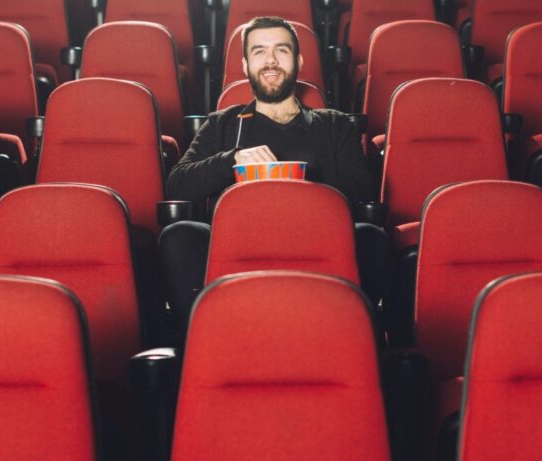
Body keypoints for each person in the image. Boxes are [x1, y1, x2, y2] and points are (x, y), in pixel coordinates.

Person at [159, 16, 387, 331]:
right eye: (259, 51)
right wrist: (232, 161)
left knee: (371, 237)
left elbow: (361, 190)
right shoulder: (222, 124)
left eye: (281, 50)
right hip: (239, 242)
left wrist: (299, 187)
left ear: (299, 60)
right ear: (244, 64)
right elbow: (177, 185)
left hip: (315, 240)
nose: (270, 61)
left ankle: (352, 337)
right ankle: (200, 342)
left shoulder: (333, 124)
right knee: (178, 236)